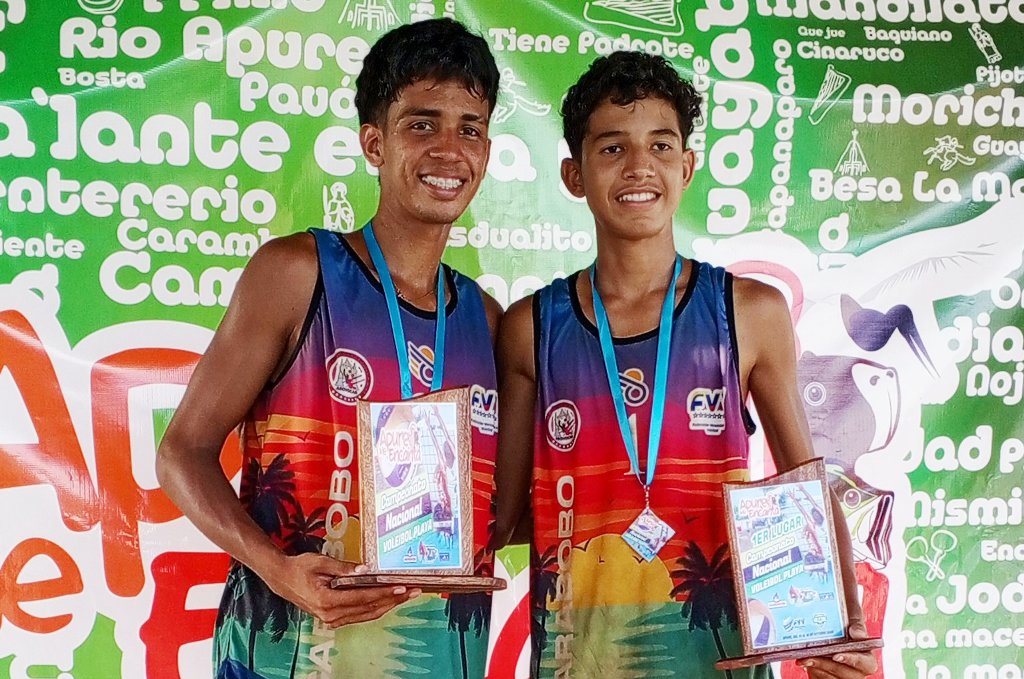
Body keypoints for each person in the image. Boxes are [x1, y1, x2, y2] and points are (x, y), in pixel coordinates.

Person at [492, 51, 879, 679]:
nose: (640, 165)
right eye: (612, 148)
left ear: (688, 165)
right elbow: (505, 519)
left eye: (661, 145)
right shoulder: (530, 326)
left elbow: (804, 483)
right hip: (578, 661)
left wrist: (847, 619)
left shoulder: (749, 311)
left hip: (716, 658)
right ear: (574, 174)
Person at [156, 18, 502, 679]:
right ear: (375, 141)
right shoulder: (297, 272)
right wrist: (280, 570)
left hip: (436, 659)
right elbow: (181, 453)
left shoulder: (483, 318)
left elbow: (502, 512)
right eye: (422, 124)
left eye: (470, 127)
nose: (449, 149)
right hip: (288, 653)